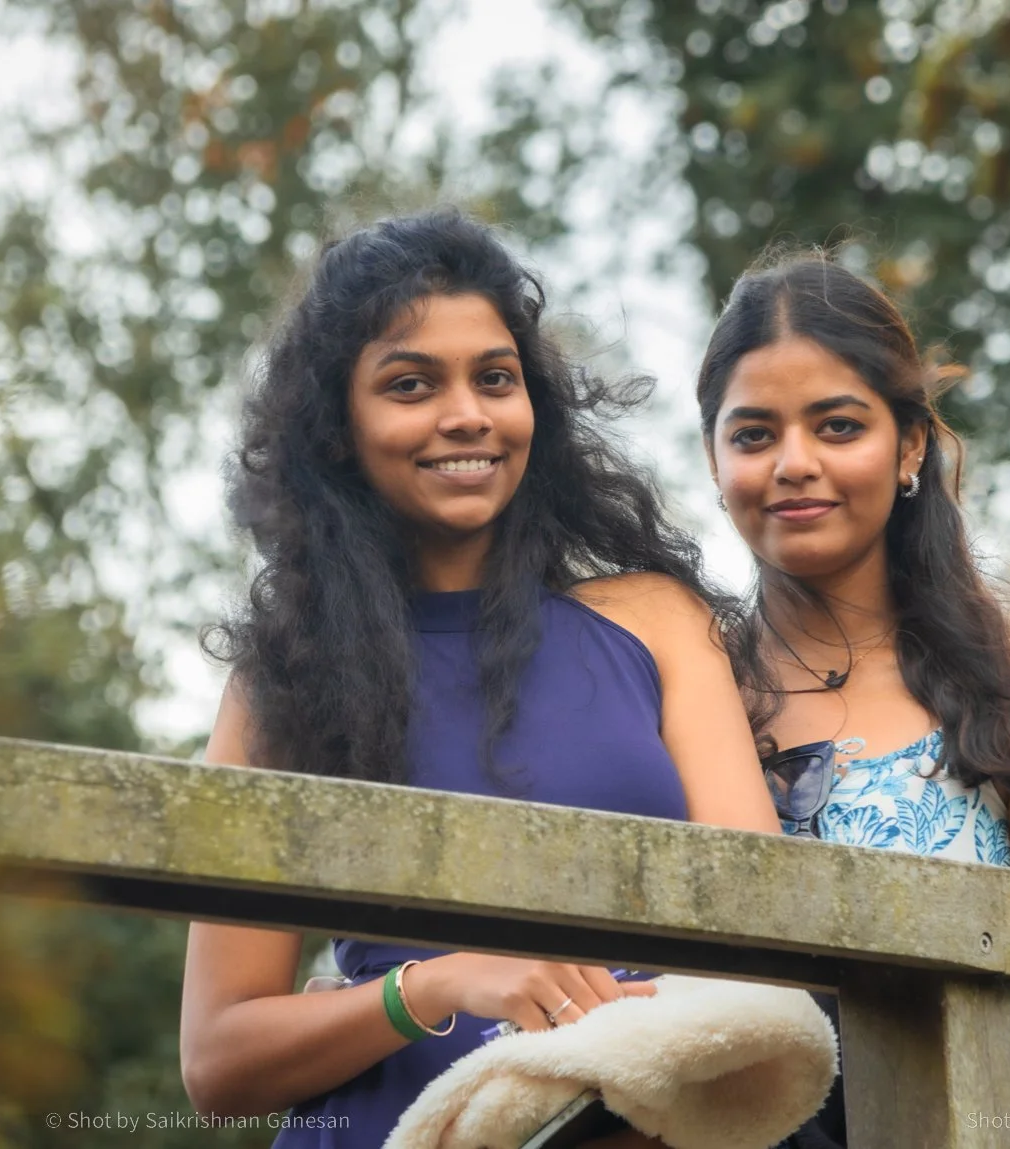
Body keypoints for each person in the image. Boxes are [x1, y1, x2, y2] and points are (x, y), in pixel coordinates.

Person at [178, 209, 778, 1148]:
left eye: (495, 379)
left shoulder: (656, 623)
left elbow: (768, 946)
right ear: (339, 426)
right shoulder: (282, 686)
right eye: (411, 384)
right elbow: (218, 1059)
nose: (466, 414)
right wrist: (439, 985)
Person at [697, 252, 1010, 1144]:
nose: (793, 463)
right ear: (714, 458)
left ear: (910, 444)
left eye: (838, 427)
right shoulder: (687, 703)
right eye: (754, 434)